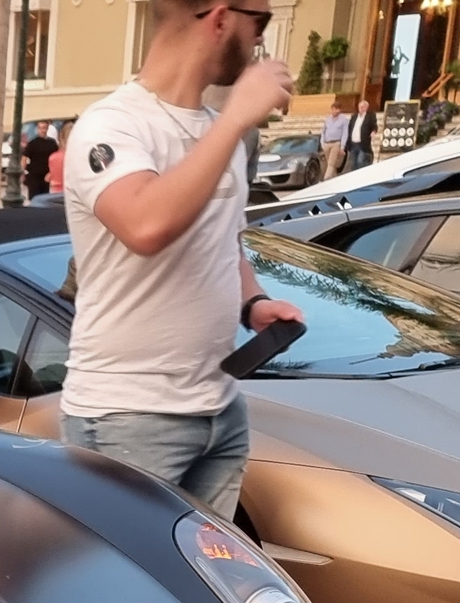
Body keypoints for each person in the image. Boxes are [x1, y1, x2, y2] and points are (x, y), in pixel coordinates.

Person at [57, 0, 304, 516]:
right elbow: (146, 225)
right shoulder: (112, 125)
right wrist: (237, 115)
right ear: (219, 19)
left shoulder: (221, 133)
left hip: (220, 404)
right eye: (260, 22)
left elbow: (223, 238)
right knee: (129, 591)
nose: (261, 41)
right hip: (129, 415)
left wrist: (253, 302)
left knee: (201, 584)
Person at [22, 121, 59, 198]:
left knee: (45, 199)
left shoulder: (52, 143)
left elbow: (56, 159)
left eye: (44, 128)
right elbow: (24, 158)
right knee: (34, 199)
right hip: (34, 176)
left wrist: (51, 173)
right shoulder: (32, 143)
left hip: (46, 176)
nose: (42, 130)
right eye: (40, 128)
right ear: (37, 129)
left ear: (47, 128)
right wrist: (23, 172)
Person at [320, 97, 354, 179]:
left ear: (339, 110)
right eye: (333, 109)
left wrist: (342, 146)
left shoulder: (343, 120)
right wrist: (322, 143)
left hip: (336, 143)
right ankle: (334, 179)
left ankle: (326, 178)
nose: (335, 111)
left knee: (331, 163)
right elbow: (323, 131)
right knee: (330, 164)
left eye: (336, 109)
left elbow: (345, 133)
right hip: (327, 143)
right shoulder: (328, 119)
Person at [344, 95, 377, 173]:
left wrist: (373, 132)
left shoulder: (370, 116)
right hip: (353, 143)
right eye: (360, 107)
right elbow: (350, 128)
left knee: (360, 162)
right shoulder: (354, 116)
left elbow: (374, 126)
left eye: (363, 107)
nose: (361, 109)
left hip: (363, 143)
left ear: (366, 107)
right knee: (353, 164)